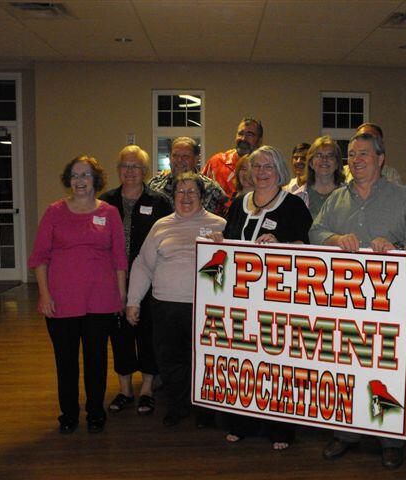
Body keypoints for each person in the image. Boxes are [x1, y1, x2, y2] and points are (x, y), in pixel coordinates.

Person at [310, 132, 406, 469]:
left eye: (363, 153)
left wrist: (397, 249)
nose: (356, 160)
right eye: (351, 154)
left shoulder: (403, 198)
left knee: (388, 369)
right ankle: (345, 432)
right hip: (344, 301)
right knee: (345, 365)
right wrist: (335, 239)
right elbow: (315, 232)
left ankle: (390, 438)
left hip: (389, 303)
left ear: (380, 158)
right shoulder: (336, 198)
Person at [211, 145, 312, 450]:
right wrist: (219, 242)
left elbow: (307, 247)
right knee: (243, 359)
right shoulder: (239, 204)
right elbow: (231, 241)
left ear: (279, 171)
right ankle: (242, 423)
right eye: (257, 166)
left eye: (269, 166)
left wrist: (282, 244)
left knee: (277, 362)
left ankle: (280, 429)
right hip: (241, 300)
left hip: (277, 299)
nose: (262, 172)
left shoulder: (293, 205)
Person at [28, 155, 127, 434]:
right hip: (61, 300)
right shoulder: (54, 212)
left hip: (101, 300)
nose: (79, 180)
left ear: (95, 180)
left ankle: (95, 412)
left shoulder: (109, 213)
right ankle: (69, 414)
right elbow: (39, 258)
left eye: (85, 175)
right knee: (66, 361)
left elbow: (119, 258)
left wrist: (121, 295)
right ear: (68, 180)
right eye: (74, 175)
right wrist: (44, 295)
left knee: (96, 360)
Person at [126, 172, 226, 428]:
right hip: (165, 305)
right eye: (181, 191)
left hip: (205, 307)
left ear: (202, 196)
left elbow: (227, 273)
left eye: (192, 191)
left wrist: (221, 249)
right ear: (173, 197)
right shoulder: (161, 226)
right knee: (170, 360)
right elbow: (143, 264)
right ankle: (177, 406)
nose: (186, 196)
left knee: (204, 360)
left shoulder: (220, 225)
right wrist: (133, 301)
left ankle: (205, 411)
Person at [100, 145, 173, 416]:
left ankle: (147, 390)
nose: (130, 171)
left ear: (145, 171)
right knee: (119, 334)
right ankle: (125, 389)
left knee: (147, 333)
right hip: (112, 280)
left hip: (151, 279)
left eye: (135, 166)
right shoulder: (105, 201)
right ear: (118, 170)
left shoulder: (159, 202)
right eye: (125, 165)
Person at [149, 137, 228, 216]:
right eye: (175, 155)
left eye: (185, 156)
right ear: (169, 157)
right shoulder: (154, 184)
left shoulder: (212, 189)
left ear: (196, 159)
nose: (179, 160)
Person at [201, 117, 263, 198]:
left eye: (250, 135)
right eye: (240, 134)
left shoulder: (264, 168)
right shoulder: (217, 162)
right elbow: (199, 192)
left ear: (259, 140)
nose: (243, 139)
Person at [295, 136, 345, 219]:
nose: (324, 159)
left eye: (330, 155)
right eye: (319, 155)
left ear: (337, 163)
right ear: (311, 163)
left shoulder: (349, 195)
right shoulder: (298, 197)